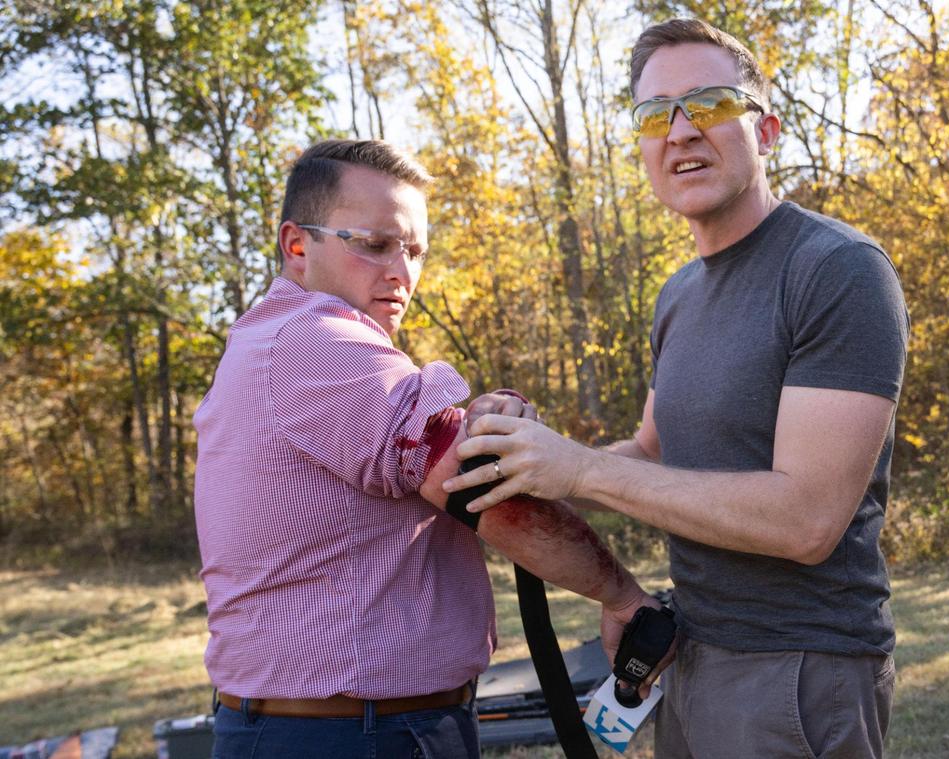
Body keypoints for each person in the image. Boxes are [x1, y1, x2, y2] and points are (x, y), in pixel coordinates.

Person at [443, 18, 910, 759]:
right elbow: (654, 453)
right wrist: (531, 458)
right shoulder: (679, 295)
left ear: (767, 129)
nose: (682, 131)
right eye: (657, 114)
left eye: (711, 104)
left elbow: (808, 520)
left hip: (798, 673)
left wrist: (582, 468)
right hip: (688, 652)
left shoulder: (836, 270)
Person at [193, 139, 657, 759]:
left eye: (414, 251)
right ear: (298, 244)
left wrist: (488, 418)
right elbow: (479, 489)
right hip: (351, 735)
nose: (402, 273)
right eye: (376, 244)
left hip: (335, 727)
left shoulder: (273, 341)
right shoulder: (318, 340)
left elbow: (440, 455)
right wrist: (622, 595)